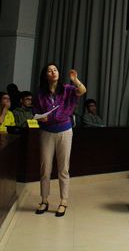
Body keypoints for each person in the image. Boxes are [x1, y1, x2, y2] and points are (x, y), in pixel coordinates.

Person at [33, 63, 86, 217]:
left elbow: (82, 91)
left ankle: (63, 201)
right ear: (45, 75)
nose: (53, 72)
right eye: (50, 71)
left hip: (64, 130)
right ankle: (44, 200)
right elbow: (35, 111)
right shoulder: (40, 93)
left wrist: (75, 80)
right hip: (46, 132)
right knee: (45, 168)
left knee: (63, 168)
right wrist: (40, 118)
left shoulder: (67, 89)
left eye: (55, 70)